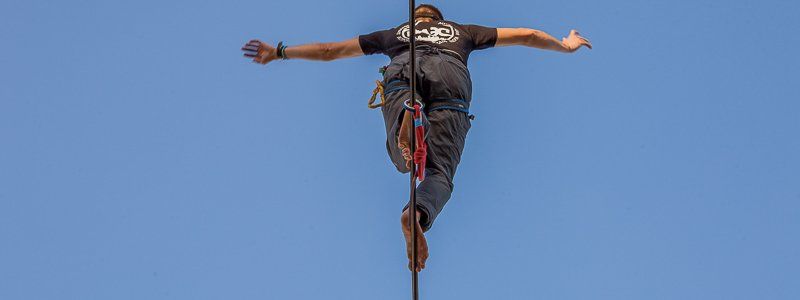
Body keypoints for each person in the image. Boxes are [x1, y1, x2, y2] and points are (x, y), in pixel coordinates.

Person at [241, 3, 592, 272]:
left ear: (417, 20)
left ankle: (409, 114)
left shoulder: (394, 35)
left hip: (404, 67)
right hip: (452, 83)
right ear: (440, 20)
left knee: (401, 157)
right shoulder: (464, 32)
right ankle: (417, 212)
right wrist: (565, 45)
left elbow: (330, 49)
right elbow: (527, 35)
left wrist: (280, 51)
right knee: (439, 175)